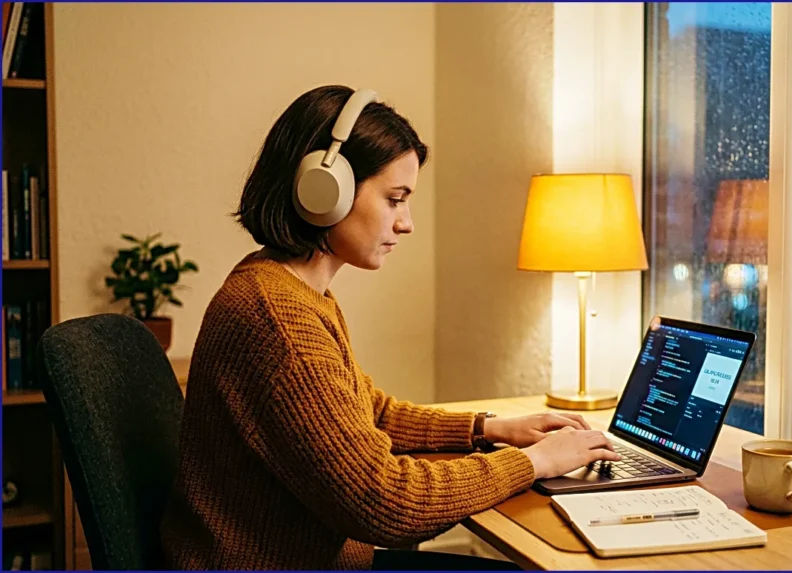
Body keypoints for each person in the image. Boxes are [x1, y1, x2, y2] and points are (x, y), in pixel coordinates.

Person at [158, 85, 622, 571]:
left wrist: (489, 428)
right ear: (324, 190)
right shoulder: (275, 317)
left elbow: (367, 414)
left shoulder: (290, 290)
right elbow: (386, 504)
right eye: (395, 199)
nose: (407, 224)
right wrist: (536, 462)